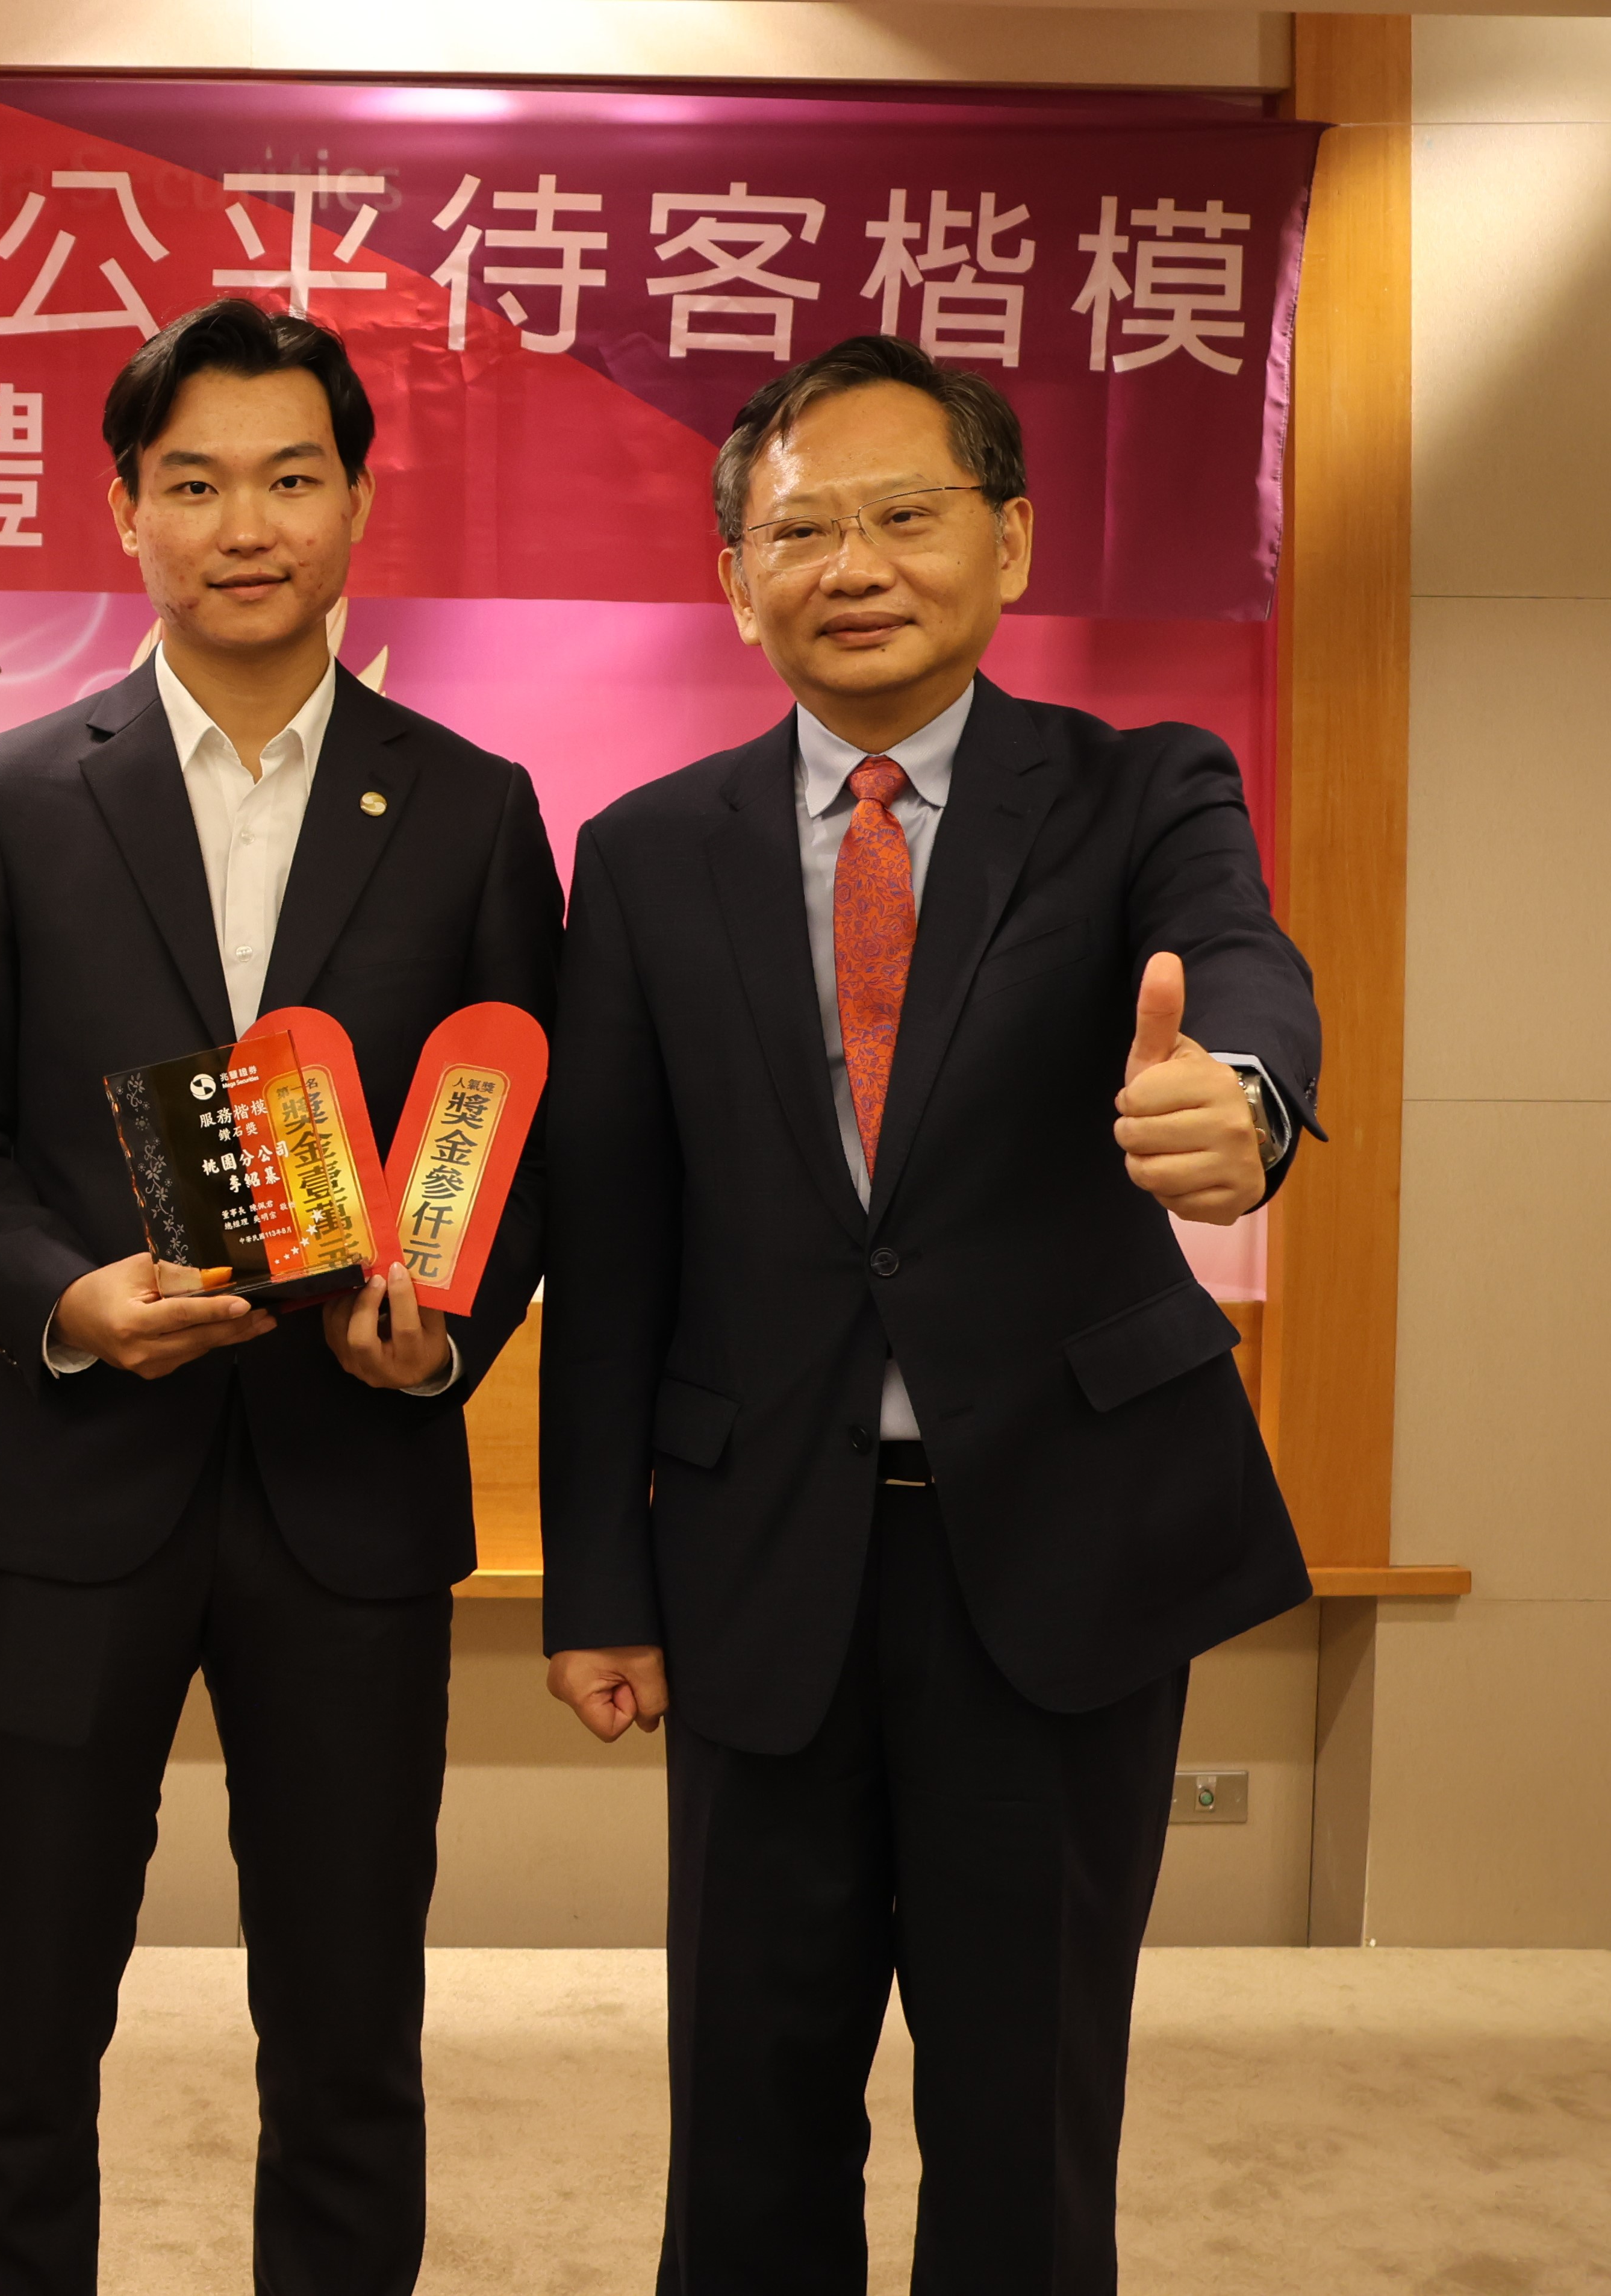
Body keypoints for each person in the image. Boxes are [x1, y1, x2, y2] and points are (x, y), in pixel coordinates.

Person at [537, 334, 1315, 2292]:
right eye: (804, 529)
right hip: (758, 1557)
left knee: (1024, 2120)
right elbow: (613, 1237)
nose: (855, 564)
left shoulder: (1143, 789)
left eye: (907, 514)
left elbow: (1238, 966)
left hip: (1056, 1546)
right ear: (736, 576)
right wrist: (597, 1582)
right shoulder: (645, 854)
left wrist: (1242, 1097)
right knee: (746, 2121)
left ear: (1011, 540)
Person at [0, 298, 563, 2296]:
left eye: (288, 478)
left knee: (348, 2030)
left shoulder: (471, 804)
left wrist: (439, 1333)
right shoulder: (14, 797)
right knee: (27, 2024)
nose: (243, 525)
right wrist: (69, 1296)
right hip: (78, 1484)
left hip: (353, 1488)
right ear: (127, 510)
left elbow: (522, 1135)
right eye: (194, 483)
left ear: (356, 504)